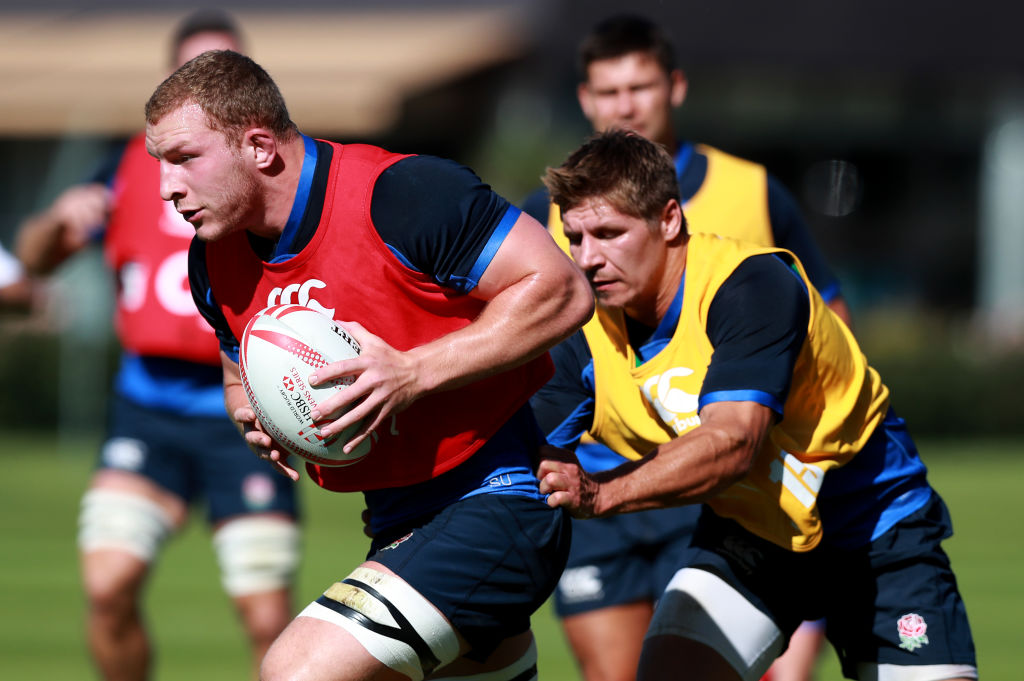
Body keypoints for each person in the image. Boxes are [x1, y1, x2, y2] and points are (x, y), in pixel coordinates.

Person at [144, 49, 593, 681]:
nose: (167, 188)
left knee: (296, 672)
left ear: (260, 146)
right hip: (395, 521)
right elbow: (234, 368)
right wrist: (252, 408)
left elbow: (562, 290)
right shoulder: (212, 261)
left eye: (184, 158)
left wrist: (412, 372)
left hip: (500, 496)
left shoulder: (404, 194)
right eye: (158, 165)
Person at [535, 129, 978, 681]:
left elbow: (733, 443)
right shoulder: (585, 332)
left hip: (873, 527)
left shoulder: (750, 285)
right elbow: (520, 453)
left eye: (607, 233)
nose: (588, 259)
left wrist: (603, 494)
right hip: (750, 536)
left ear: (669, 219)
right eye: (575, 239)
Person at [523, 14, 844, 681]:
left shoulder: (752, 190)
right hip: (595, 474)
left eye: (640, 87)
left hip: (717, 476)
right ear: (585, 100)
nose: (625, 105)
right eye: (608, 92)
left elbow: (828, 318)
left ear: (675, 87)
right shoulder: (550, 213)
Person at [15, 12, 301, 681]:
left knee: (266, 617)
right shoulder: (126, 166)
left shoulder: (276, 167)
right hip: (150, 404)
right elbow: (34, 260)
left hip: (251, 410)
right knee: (108, 583)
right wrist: (60, 221)